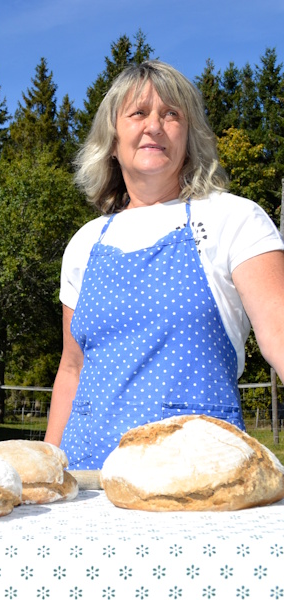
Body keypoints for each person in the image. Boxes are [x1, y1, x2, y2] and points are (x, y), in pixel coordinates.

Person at [45, 60, 284, 470]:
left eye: (172, 114)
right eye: (138, 113)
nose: (154, 126)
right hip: (87, 477)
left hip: (199, 477)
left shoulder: (233, 218)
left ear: (189, 138)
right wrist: (47, 466)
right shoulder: (85, 242)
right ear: (112, 140)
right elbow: (72, 368)